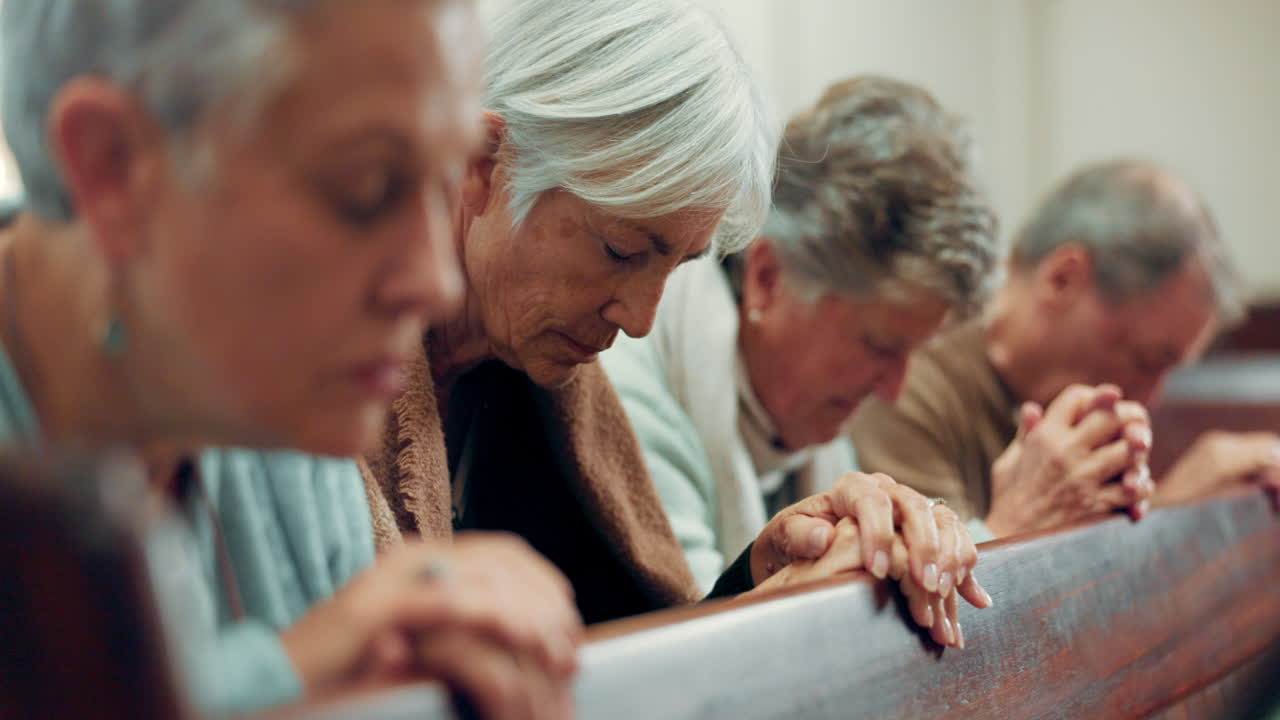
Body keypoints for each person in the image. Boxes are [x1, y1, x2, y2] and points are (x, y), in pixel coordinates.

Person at [0, 2, 582, 719]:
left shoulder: (276, 401)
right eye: (368, 187)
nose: (436, 283)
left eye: (442, 184)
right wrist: (300, 660)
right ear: (113, 166)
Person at [364, 1, 992, 648]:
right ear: (483, 163)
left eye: (680, 264)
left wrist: (761, 576)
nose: (640, 322)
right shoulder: (320, 374)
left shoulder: (538, 378)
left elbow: (619, 650)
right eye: (620, 251)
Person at [600, 75, 1000, 633]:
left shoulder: (801, 410)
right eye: (880, 345)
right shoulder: (619, 386)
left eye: (915, 352)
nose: (895, 388)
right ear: (766, 279)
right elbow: (675, 653)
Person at [850, 159, 1276, 539]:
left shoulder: (1066, 403)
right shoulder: (905, 374)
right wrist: (1175, 512)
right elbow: (938, 601)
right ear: (1063, 279)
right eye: (1146, 361)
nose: (1148, 397)